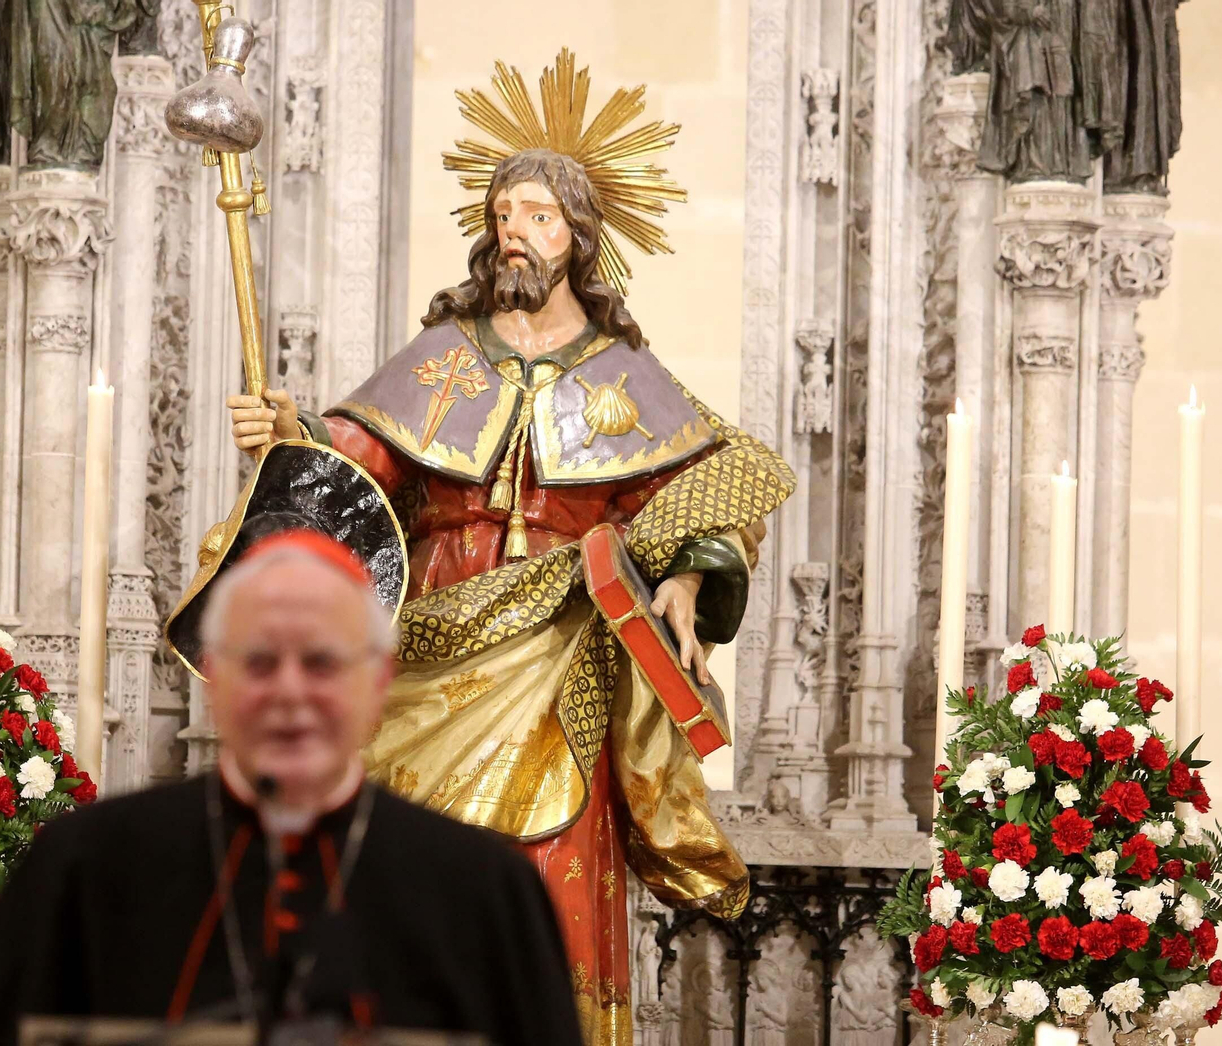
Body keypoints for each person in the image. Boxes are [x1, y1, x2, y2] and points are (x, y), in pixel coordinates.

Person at [219, 75, 795, 1041]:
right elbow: (357, 466)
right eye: (502, 211)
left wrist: (688, 586)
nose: (515, 228)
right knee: (399, 849)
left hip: (563, 651)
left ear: (578, 231)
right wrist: (292, 430)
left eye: (537, 212)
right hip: (427, 639)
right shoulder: (442, 355)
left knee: (551, 854)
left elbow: (713, 487)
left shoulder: (624, 373)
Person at [0, 531, 583, 1045]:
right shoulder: (84, 868)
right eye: (260, 662)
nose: (290, 693)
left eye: (322, 662)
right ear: (213, 676)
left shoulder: (484, 891)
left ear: (378, 681)